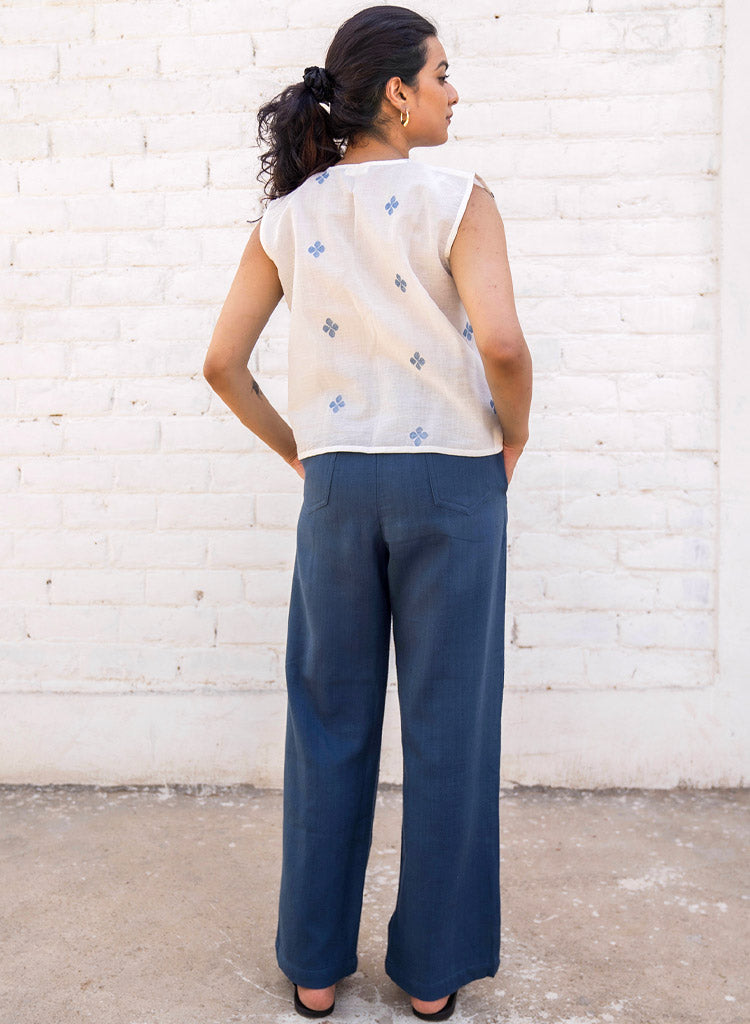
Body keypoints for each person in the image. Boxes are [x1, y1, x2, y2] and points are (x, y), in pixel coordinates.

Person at [203, 5, 532, 1020]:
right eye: (441, 74)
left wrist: (305, 453)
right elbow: (503, 346)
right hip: (453, 483)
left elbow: (222, 364)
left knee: (328, 720)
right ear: (397, 91)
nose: (452, 94)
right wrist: (514, 435)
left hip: (340, 487)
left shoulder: (289, 215)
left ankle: (314, 967)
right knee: (450, 728)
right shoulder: (459, 196)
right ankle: (430, 976)